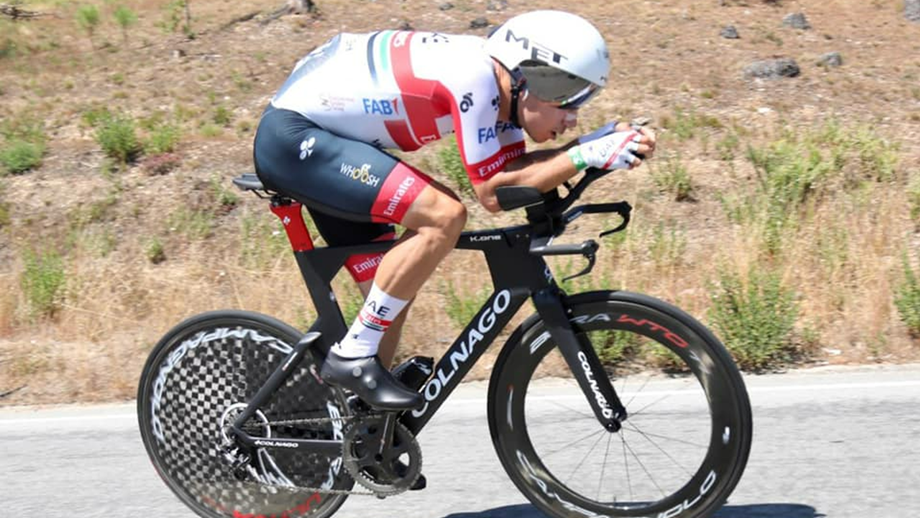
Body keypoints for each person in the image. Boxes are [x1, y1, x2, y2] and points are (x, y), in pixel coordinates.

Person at [253, 10, 656, 412]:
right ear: (530, 80)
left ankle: (344, 425)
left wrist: (592, 147)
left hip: (333, 140)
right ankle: (351, 357)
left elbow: (515, 177)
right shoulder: (476, 80)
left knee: (391, 290)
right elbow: (493, 195)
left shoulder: (505, 92)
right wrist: (586, 153)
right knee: (443, 216)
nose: (571, 118)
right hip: (295, 138)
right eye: (567, 101)